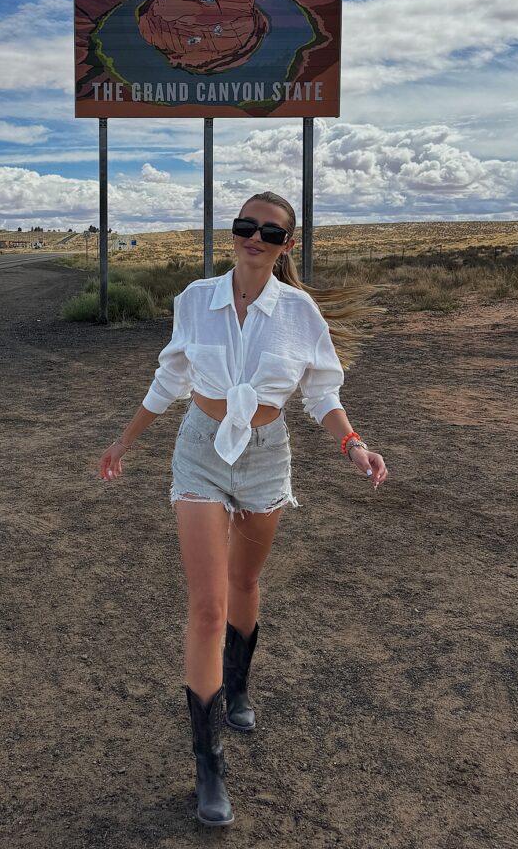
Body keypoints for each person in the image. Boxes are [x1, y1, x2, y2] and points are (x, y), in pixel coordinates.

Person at [98, 191, 389, 826]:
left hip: (266, 455)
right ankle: (209, 761)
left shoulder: (299, 312)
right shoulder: (194, 299)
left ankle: (239, 686)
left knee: (245, 582)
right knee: (206, 606)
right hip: (200, 450)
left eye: (269, 231)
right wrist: (125, 438)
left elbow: (321, 391)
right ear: (232, 234)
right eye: (243, 226)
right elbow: (170, 380)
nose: (253, 237)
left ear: (288, 244)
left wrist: (353, 444)